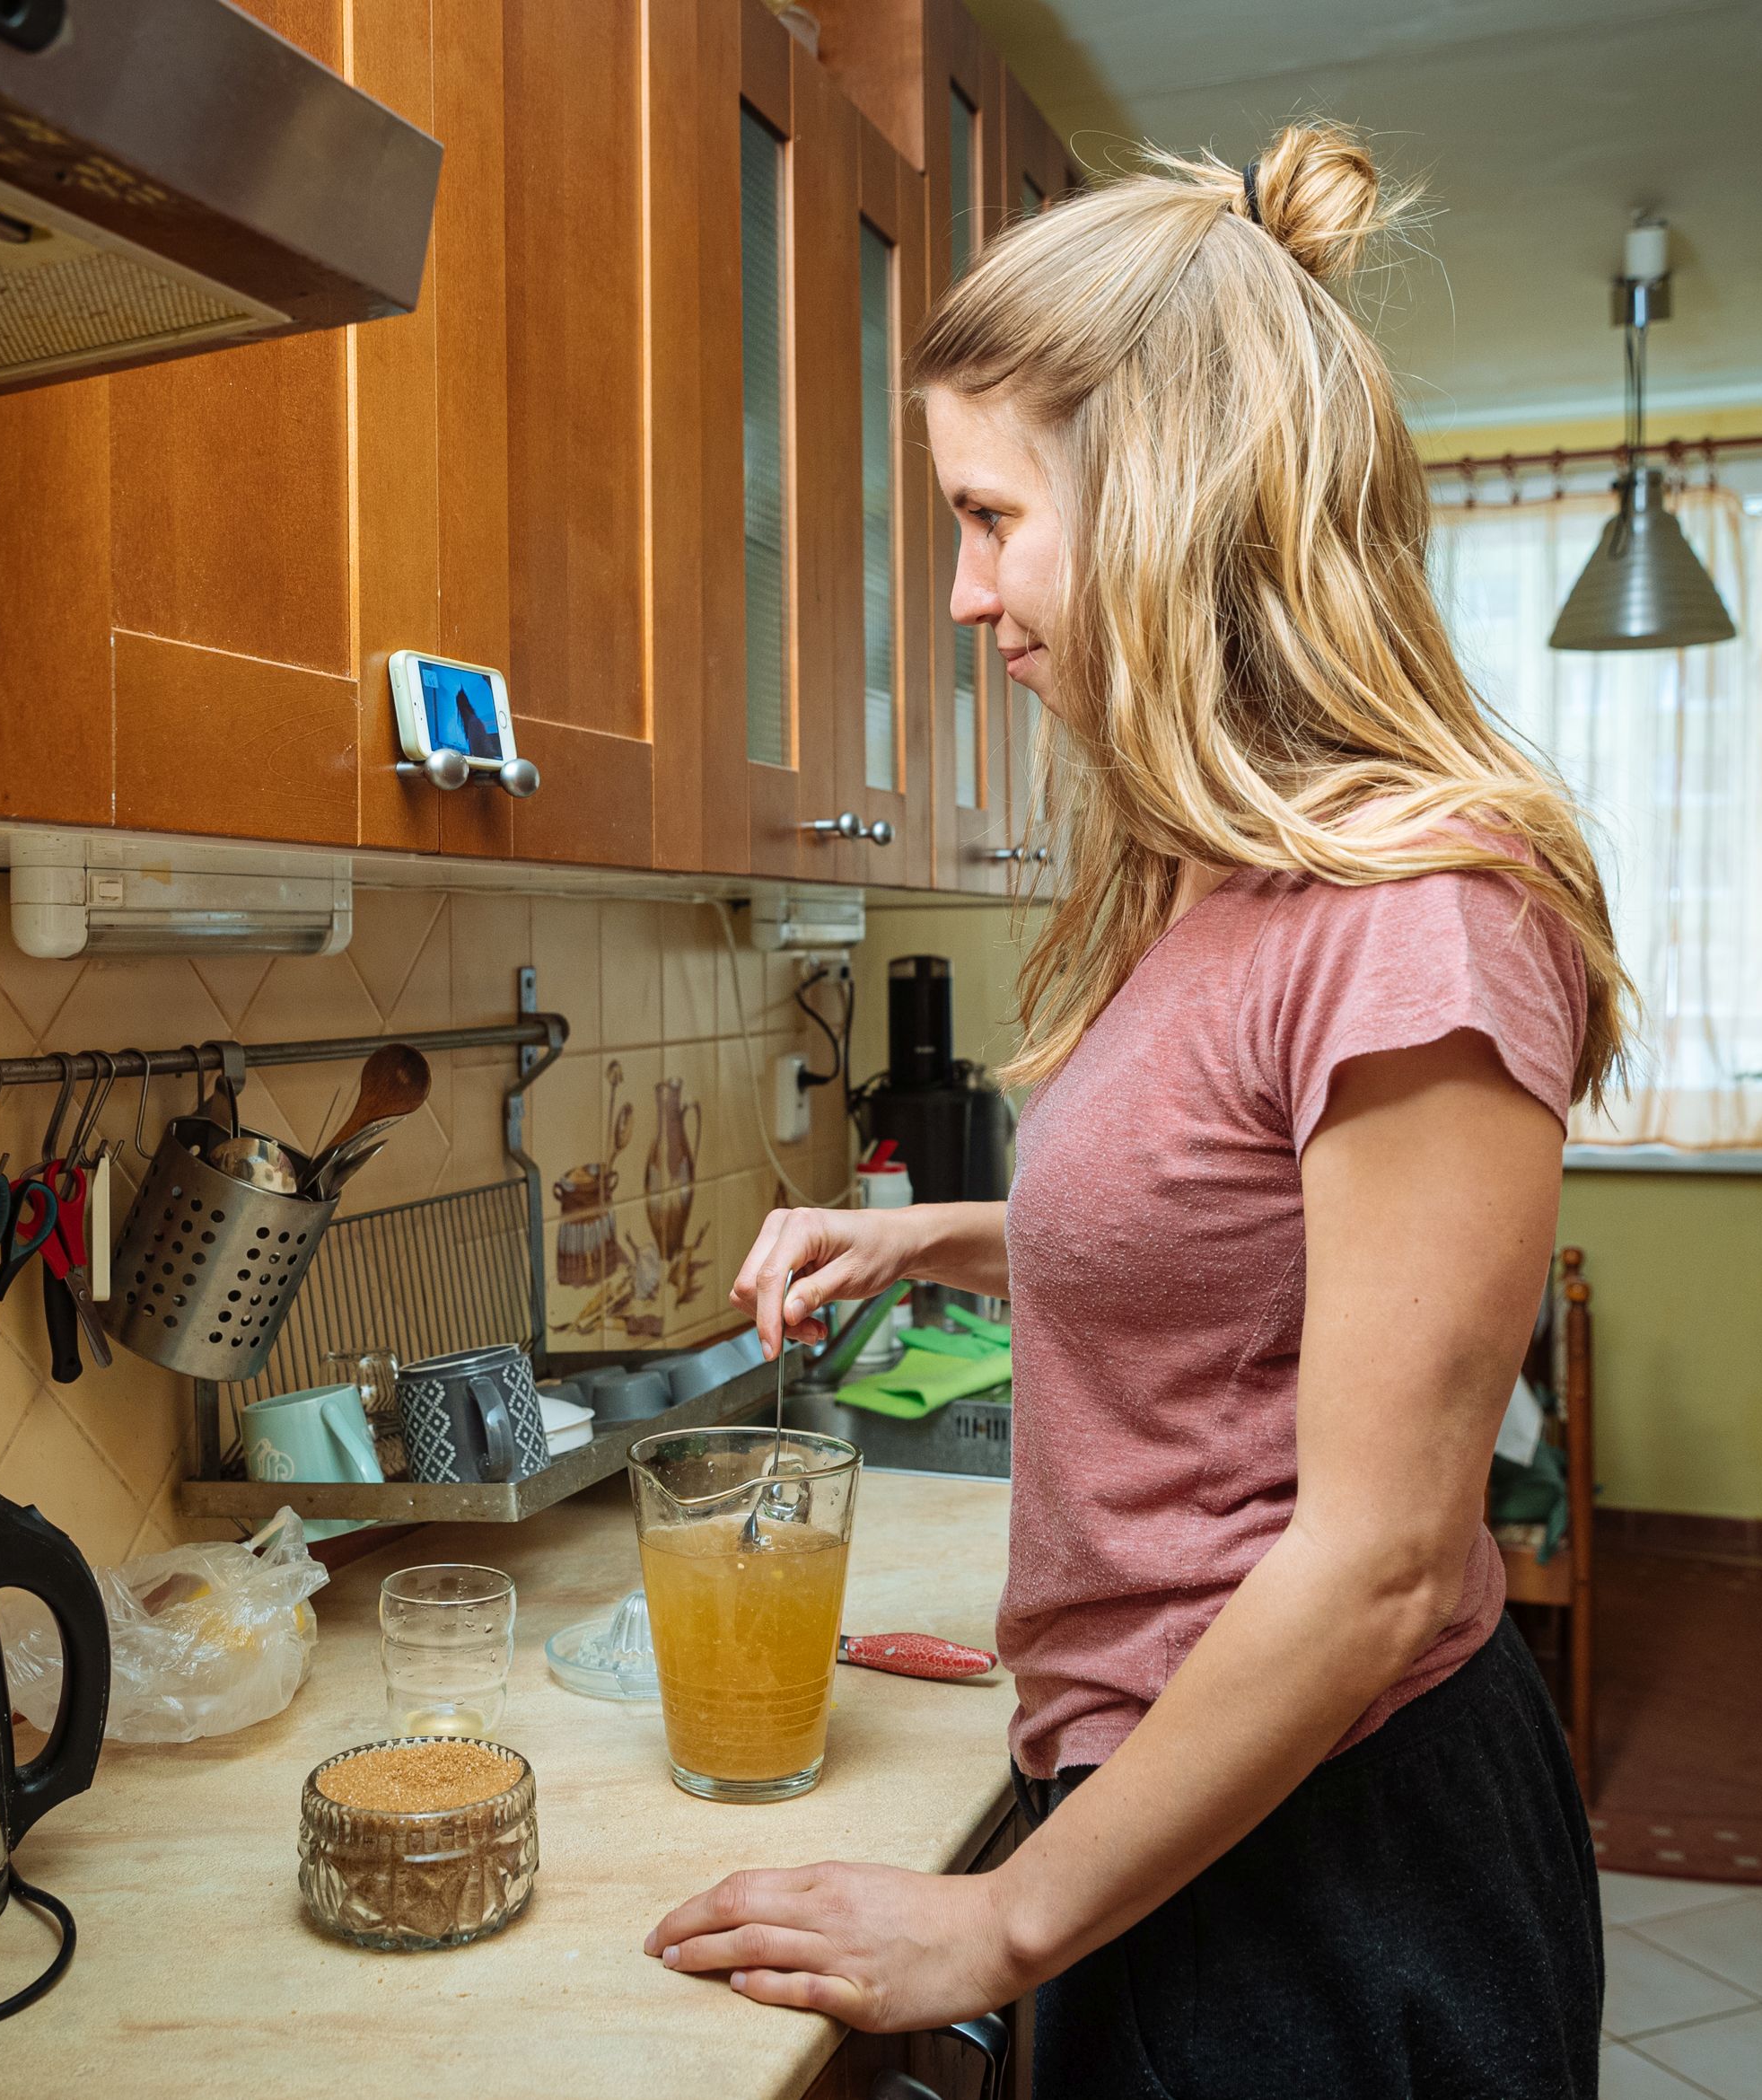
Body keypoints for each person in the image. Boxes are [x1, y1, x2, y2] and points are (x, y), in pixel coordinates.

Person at [643, 124, 1632, 2097]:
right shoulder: (1214, 884)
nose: (959, 593)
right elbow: (1236, 1251)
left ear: (1167, 504)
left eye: (990, 517)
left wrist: (999, 1921)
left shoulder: (1411, 917)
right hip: (1179, 1819)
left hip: (1324, 1866)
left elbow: (1375, 1567)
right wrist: (933, 1237)